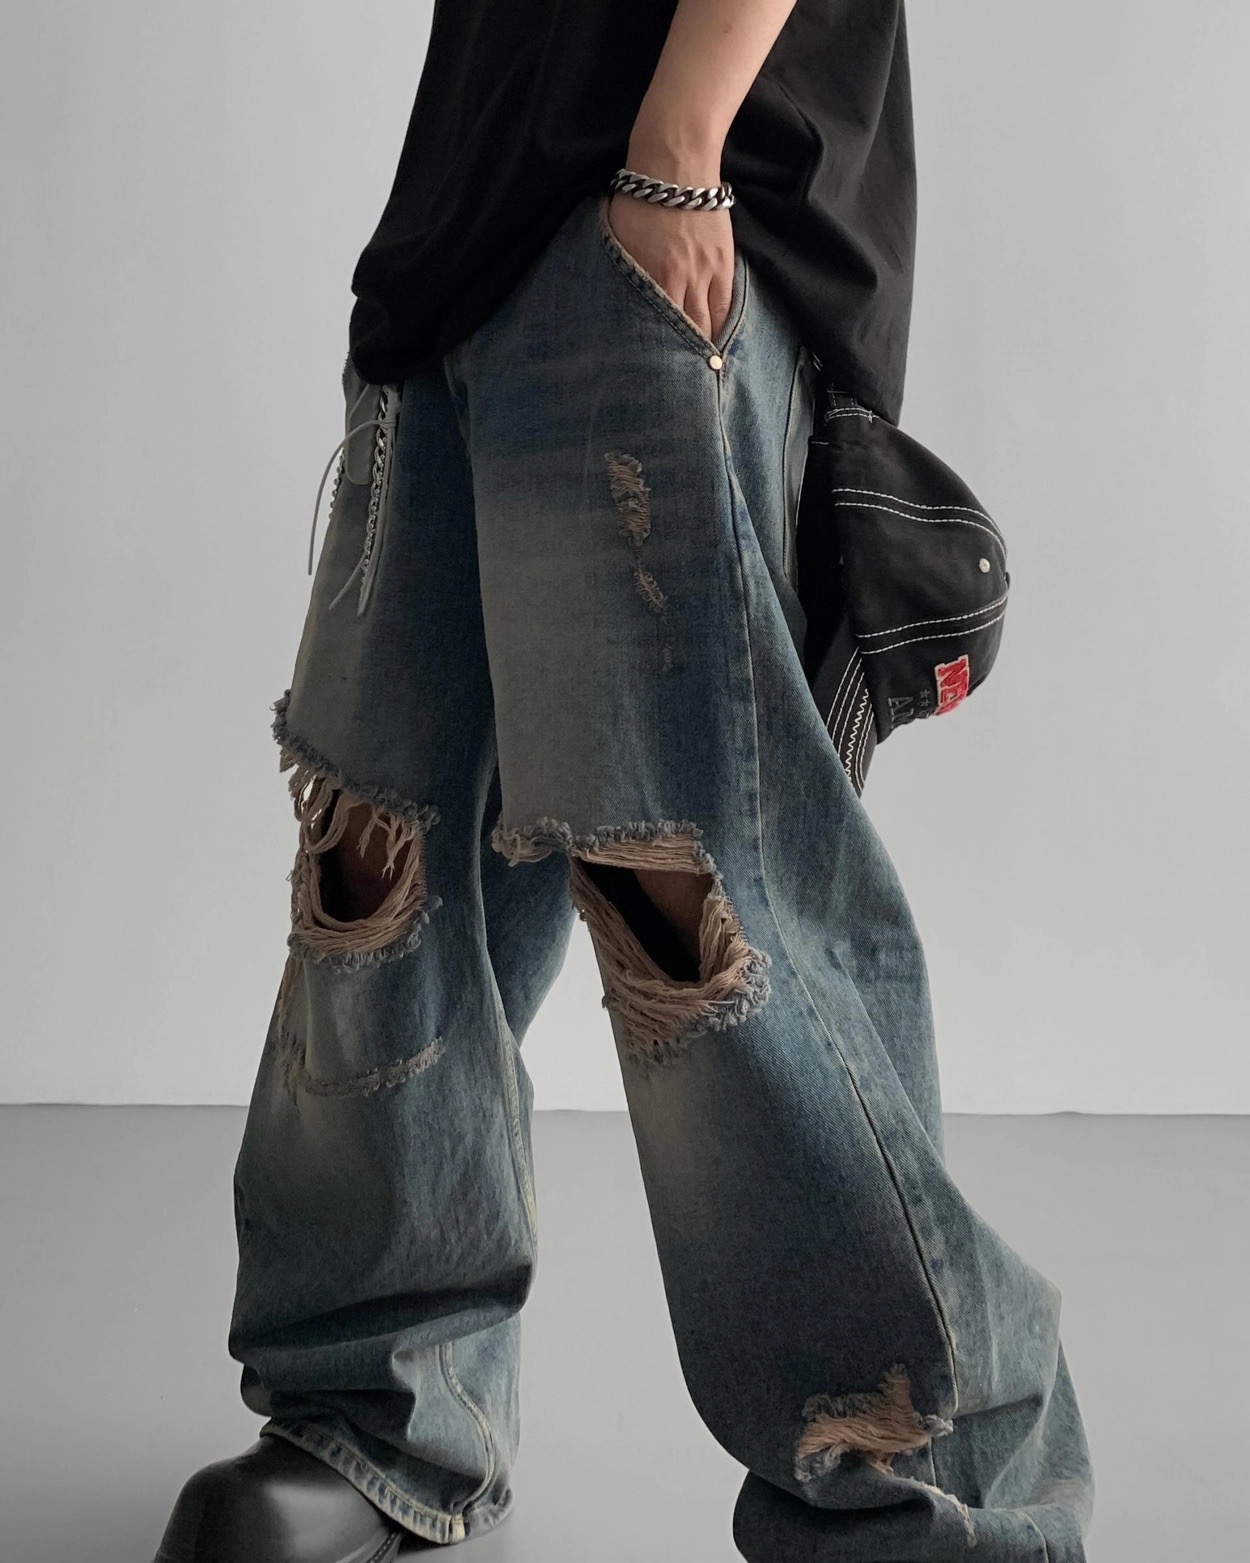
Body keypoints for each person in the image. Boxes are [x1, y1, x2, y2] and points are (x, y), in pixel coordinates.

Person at [154, 1, 1095, 1559]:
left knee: (691, 913)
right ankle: (379, 1409)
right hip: (455, 259)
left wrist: (674, 148)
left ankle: (931, 1496)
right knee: (375, 876)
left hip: (663, 225)